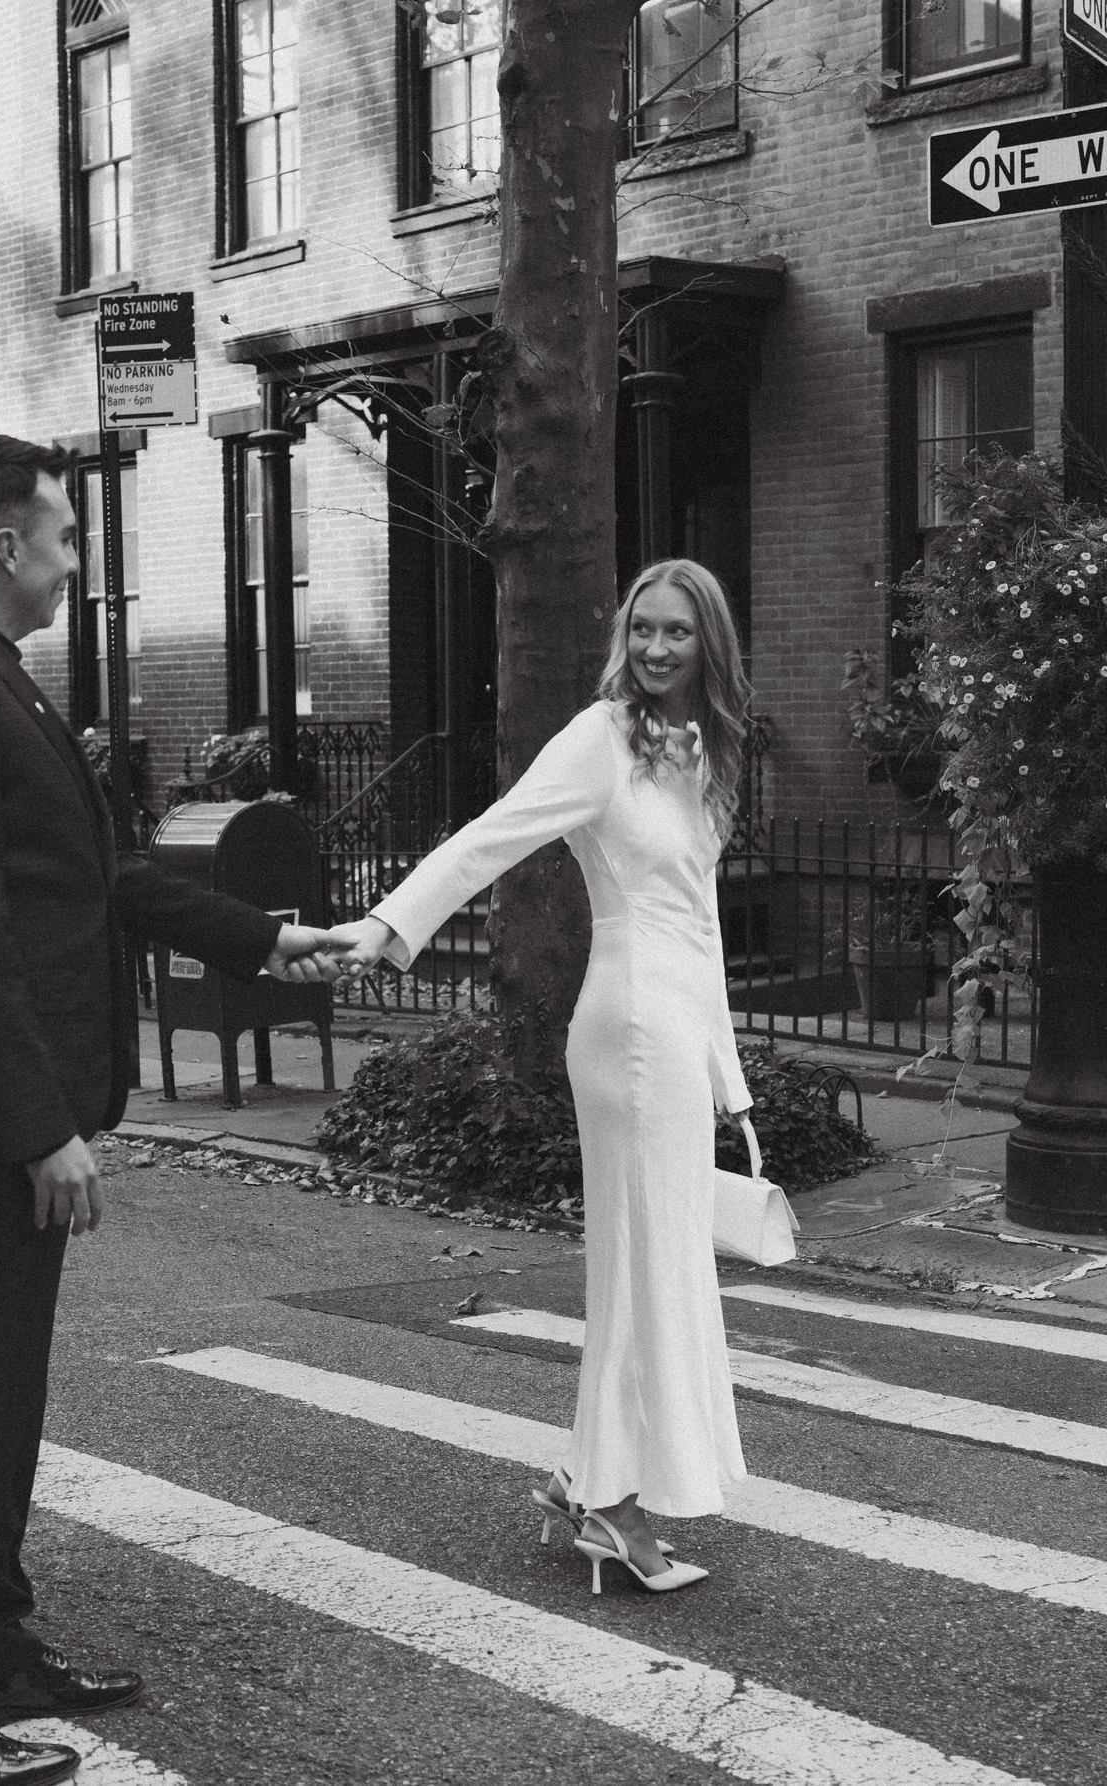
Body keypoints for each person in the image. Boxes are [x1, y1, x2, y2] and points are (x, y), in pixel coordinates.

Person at [0, 430, 346, 1786]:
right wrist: (37, 1128)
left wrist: (265, 936)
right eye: (65, 533)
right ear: (7, 546)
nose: (76, 557)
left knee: (1, 1396)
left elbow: (96, 877)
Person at [328, 558, 753, 1595]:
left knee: (647, 1268)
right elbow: (496, 832)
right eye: (642, 628)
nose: (655, 648)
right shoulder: (602, 736)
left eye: (677, 633)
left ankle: (599, 1485)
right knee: (648, 1268)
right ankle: (609, 1498)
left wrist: (729, 1077)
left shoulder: (698, 750)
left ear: (710, 646)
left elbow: (700, 926)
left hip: (675, 1027)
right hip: (631, 1029)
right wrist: (391, 923)